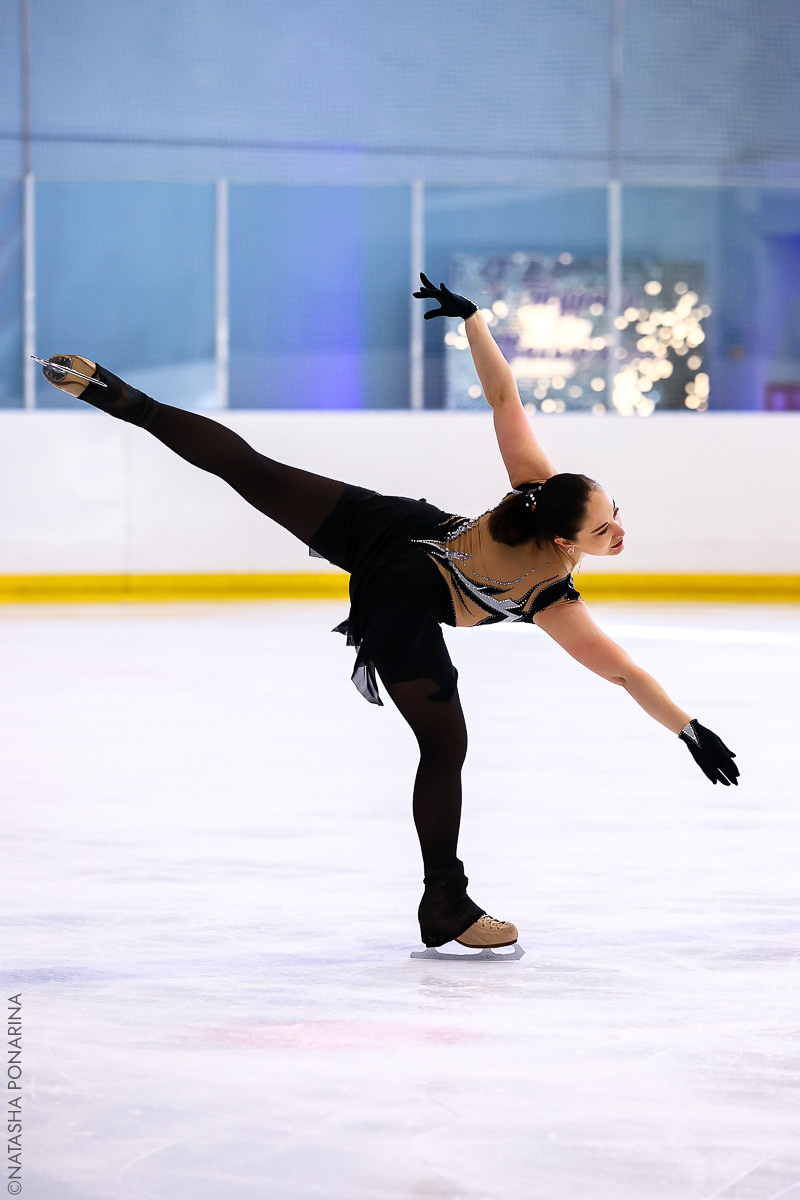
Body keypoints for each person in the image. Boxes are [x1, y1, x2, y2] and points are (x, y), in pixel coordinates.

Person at [38, 274, 738, 954]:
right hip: (404, 593)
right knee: (446, 748)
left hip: (392, 527)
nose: (619, 532)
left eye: (614, 519)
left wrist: (475, 320)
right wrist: (688, 728)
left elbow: (502, 397)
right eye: (604, 530)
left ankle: (121, 397)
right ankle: (445, 903)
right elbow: (621, 672)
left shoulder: (536, 487)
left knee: (254, 470)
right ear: (562, 541)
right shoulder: (547, 591)